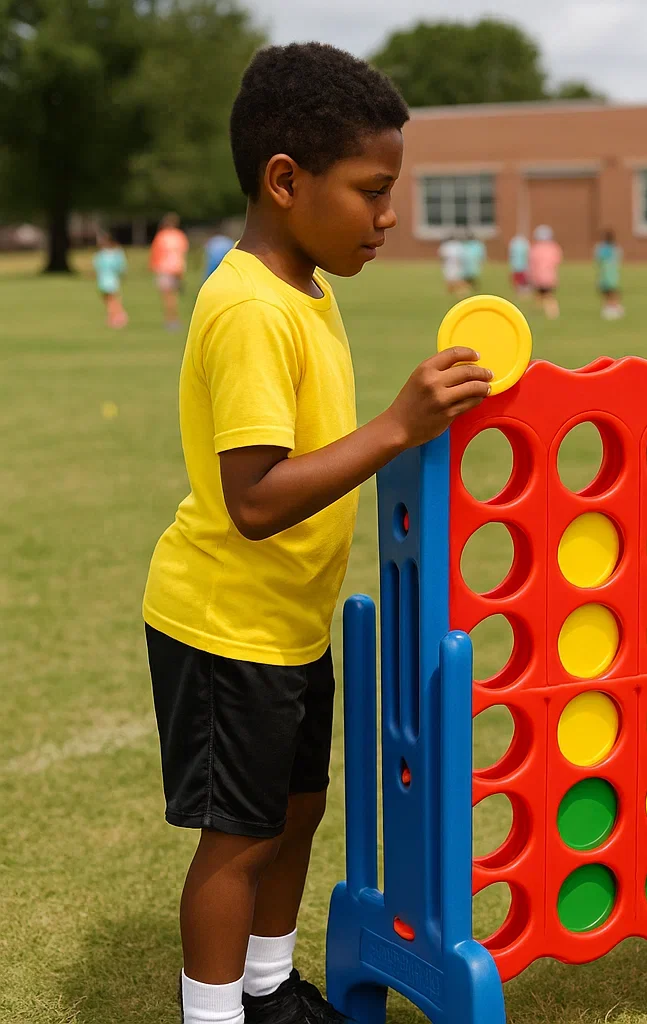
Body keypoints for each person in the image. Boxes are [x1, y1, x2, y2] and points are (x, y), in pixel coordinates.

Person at [141, 43, 492, 1024]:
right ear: (285, 181)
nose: (388, 217)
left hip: (290, 623)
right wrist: (396, 427)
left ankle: (267, 991)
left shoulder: (305, 290)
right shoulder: (249, 307)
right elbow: (252, 497)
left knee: (296, 813)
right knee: (238, 837)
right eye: (372, 191)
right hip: (224, 625)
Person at [150, 212, 190, 330]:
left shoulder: (161, 236)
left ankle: (171, 319)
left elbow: (156, 253)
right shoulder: (180, 236)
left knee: (167, 296)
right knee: (174, 296)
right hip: (178, 268)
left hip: (164, 268)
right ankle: (174, 319)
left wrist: (153, 266)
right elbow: (183, 253)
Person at [93, 231, 129, 329]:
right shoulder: (106, 254)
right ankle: (113, 316)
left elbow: (120, 267)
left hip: (109, 278)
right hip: (106, 278)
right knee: (108, 298)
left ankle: (118, 315)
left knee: (111, 298)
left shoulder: (111, 254)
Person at [527, 224, 562, 318]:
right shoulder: (553, 248)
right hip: (550, 277)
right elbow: (557, 261)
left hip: (538, 277)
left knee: (542, 295)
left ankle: (549, 313)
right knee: (546, 295)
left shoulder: (535, 248)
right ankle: (547, 313)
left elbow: (531, 263)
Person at [594, 228, 623, 319]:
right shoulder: (615, 248)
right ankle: (613, 307)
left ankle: (612, 308)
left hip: (607, 271)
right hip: (612, 271)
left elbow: (599, 259)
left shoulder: (604, 248)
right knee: (611, 290)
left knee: (608, 291)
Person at [507, 232, 530, 296]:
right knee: (520, 280)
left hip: (517, 266)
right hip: (521, 266)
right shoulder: (524, 244)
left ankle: (521, 292)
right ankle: (521, 292)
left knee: (519, 280)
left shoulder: (514, 244)